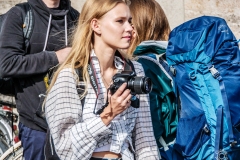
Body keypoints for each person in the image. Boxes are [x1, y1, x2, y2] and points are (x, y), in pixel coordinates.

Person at [44, 0, 159, 159]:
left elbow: (144, 138)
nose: (129, 28)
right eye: (120, 21)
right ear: (96, 25)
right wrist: (107, 115)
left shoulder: (134, 70)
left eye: (130, 21)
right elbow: (65, 147)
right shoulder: (71, 75)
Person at [0, 0, 79, 159]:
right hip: (37, 127)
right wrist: (56, 57)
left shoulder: (74, 17)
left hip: (71, 124)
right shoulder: (21, 15)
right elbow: (6, 64)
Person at [127, 0, 179, 159]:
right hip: (187, 146)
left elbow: (152, 125)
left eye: (129, 22)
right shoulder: (176, 57)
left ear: (136, 27)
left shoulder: (142, 65)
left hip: (161, 152)